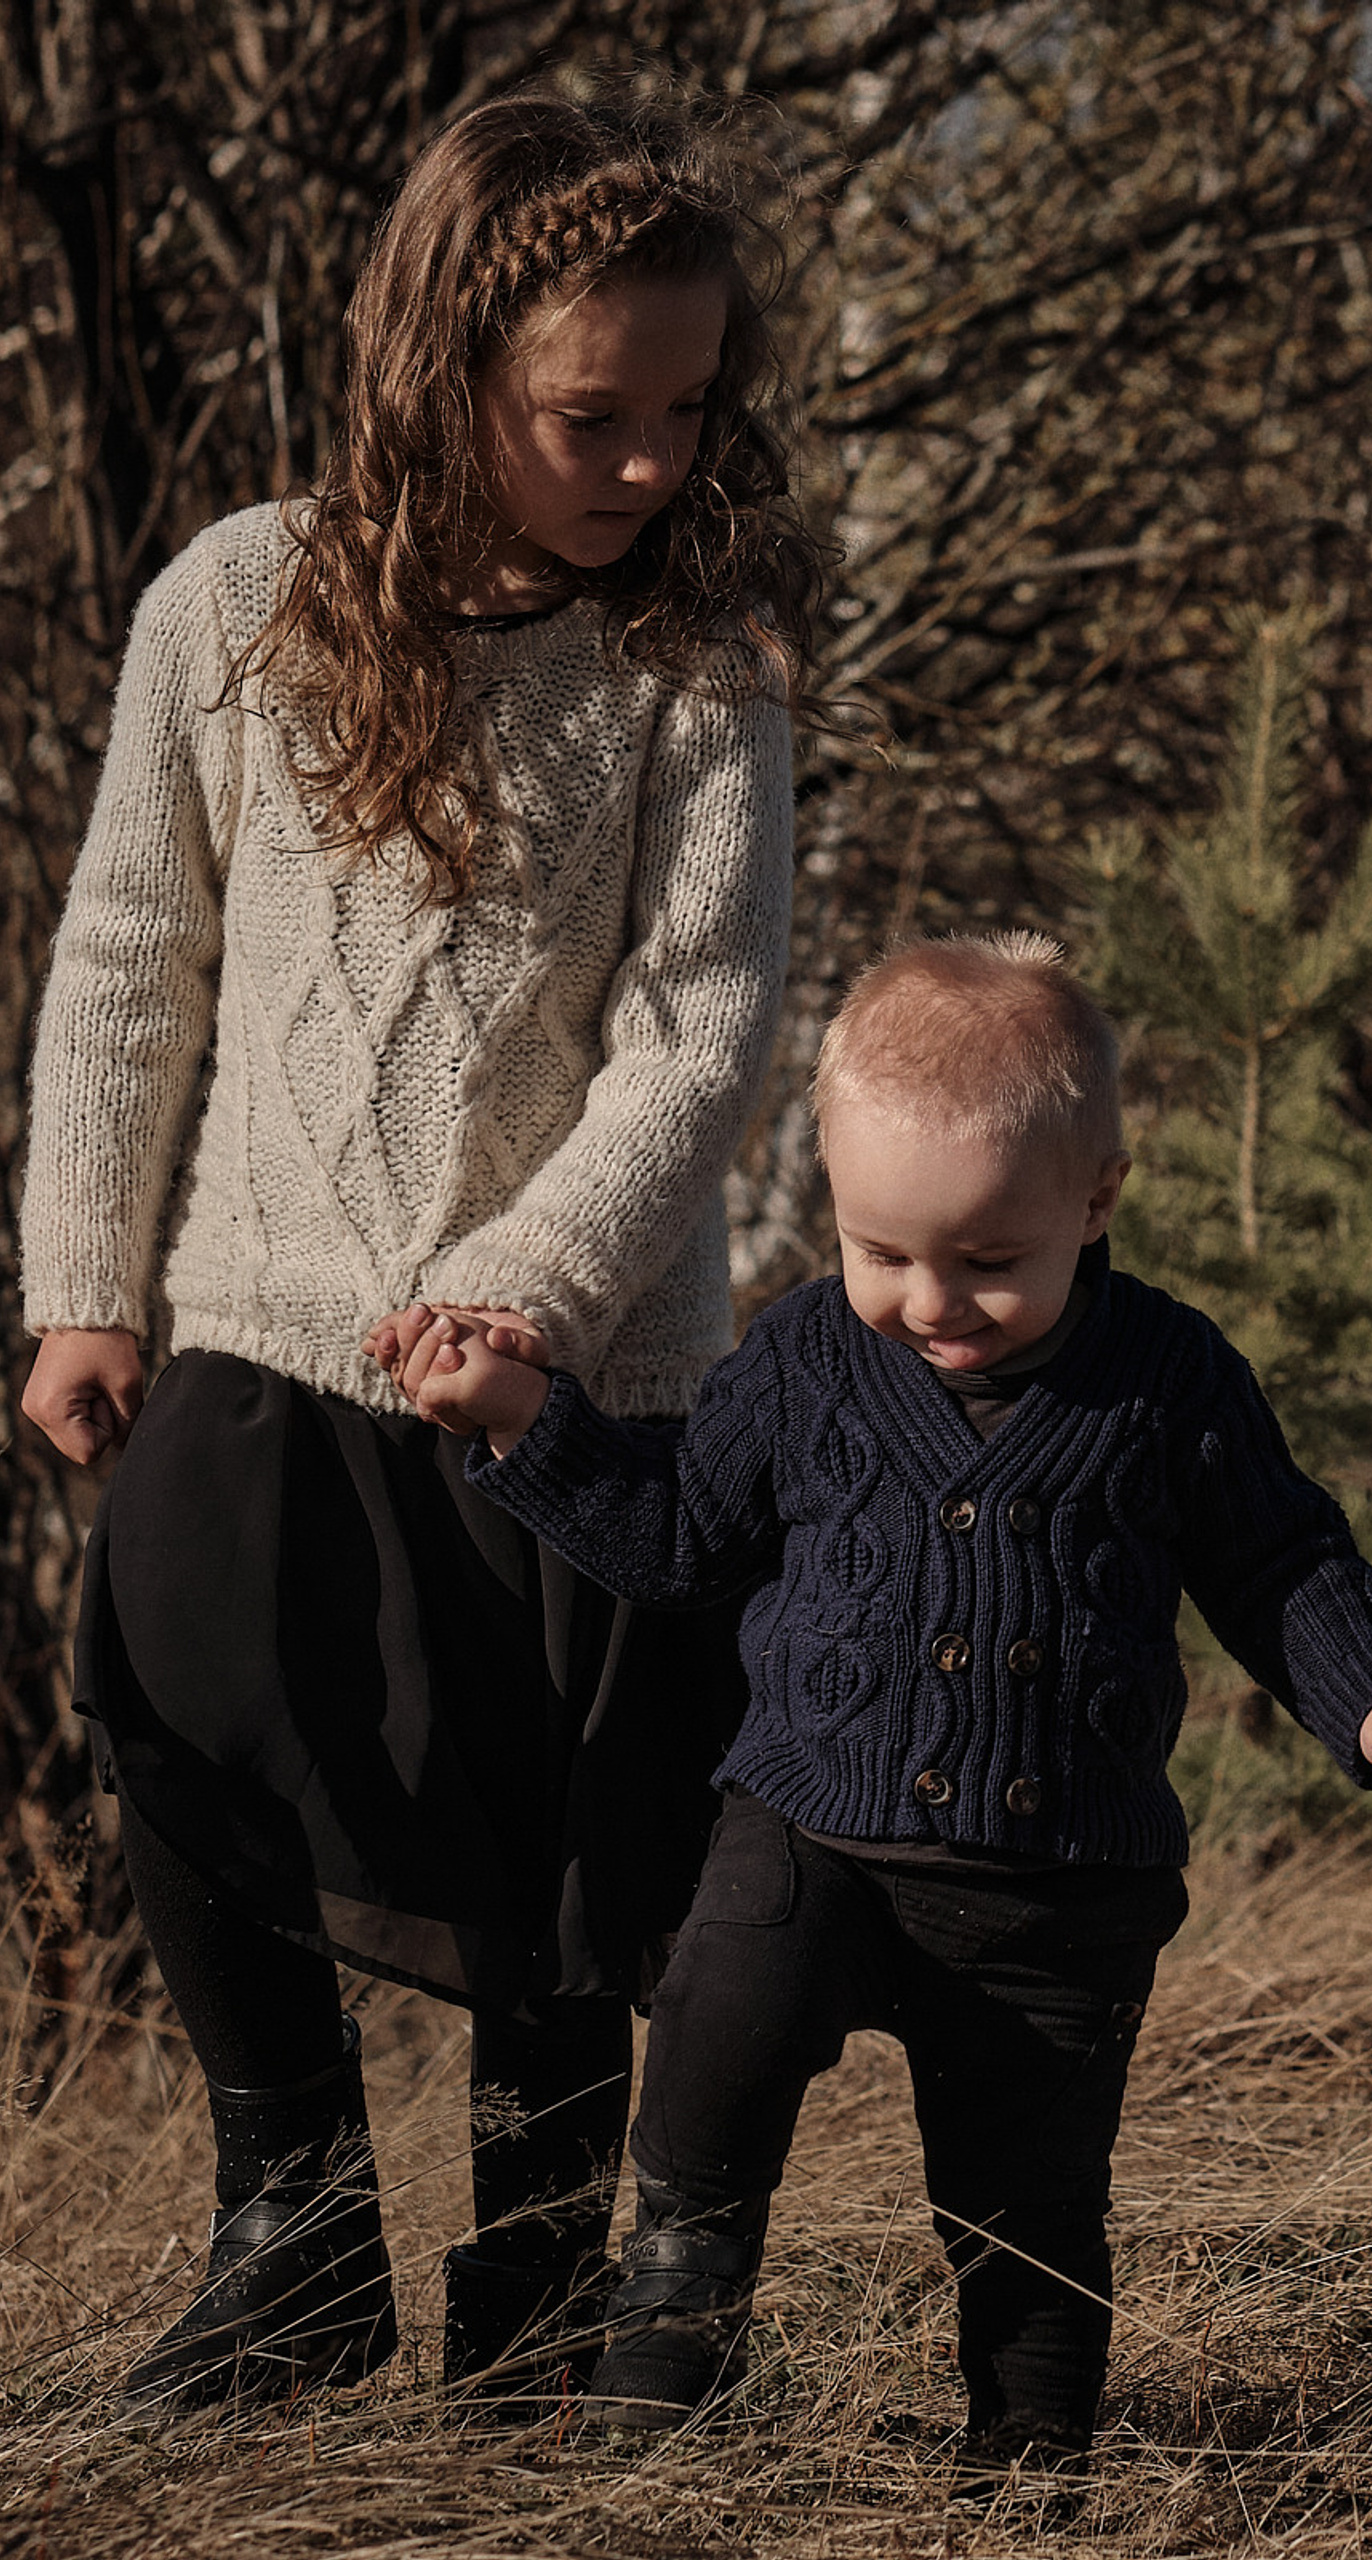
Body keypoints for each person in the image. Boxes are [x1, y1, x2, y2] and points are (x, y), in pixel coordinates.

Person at [16, 88, 825, 2418]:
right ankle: (287, 2226)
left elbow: (695, 1040)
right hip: (263, 1311)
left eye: (686, 411)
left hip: (571, 1361)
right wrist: (85, 1275)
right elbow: (126, 954)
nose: (647, 460)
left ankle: (546, 2302)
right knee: (165, 1692)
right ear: (441, 361)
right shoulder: (237, 598)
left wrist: (527, 1291)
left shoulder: (700, 675)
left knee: (557, 1839)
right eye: (592, 411)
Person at [381, 931, 1372, 2483]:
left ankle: (1026, 2468)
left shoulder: (1167, 1379)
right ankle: (656, 2366)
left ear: (1096, 1201)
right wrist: (523, 1419)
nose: (932, 1301)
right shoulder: (807, 1357)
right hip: (809, 1825)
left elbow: (1281, 1560)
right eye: (883, 1253)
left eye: (986, 1262)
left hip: (1057, 1888)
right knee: (714, 2047)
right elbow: (682, 1533)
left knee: (1027, 2201)